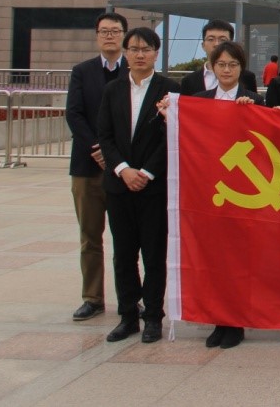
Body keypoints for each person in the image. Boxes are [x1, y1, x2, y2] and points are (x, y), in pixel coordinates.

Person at [96, 27, 179, 344]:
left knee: (154, 255)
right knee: (123, 254)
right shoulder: (113, 90)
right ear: (126, 52)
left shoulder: (169, 90)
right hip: (119, 186)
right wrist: (123, 170)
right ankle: (128, 315)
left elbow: (171, 136)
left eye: (146, 49)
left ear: (156, 53)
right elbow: (105, 136)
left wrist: (146, 172)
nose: (140, 54)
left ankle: (153, 317)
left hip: (153, 187)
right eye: (134, 49)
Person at [193, 41, 260, 349]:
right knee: (214, 257)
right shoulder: (199, 101)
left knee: (238, 258)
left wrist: (251, 113)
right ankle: (218, 318)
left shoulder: (253, 100)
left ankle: (236, 321)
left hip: (242, 192)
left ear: (241, 68)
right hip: (209, 189)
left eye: (233, 64)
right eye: (221, 64)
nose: (227, 70)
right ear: (212, 67)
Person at [64, 11, 128, 322]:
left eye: (115, 31)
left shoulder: (135, 71)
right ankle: (92, 297)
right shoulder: (82, 72)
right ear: (97, 36)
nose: (110, 36)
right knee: (90, 236)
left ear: (124, 36)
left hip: (124, 168)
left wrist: (114, 155)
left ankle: (130, 299)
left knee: (127, 238)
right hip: (87, 167)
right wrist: (98, 149)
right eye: (104, 31)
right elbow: (74, 114)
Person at [178, 19, 258, 96]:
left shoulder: (247, 77)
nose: (216, 44)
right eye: (211, 39)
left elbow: (253, 103)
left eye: (222, 40)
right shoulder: (189, 81)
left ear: (231, 44)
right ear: (203, 45)